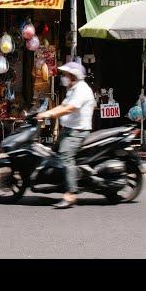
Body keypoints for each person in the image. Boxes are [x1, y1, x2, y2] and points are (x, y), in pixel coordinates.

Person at [37, 62, 95, 209]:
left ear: (73, 76)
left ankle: (70, 194)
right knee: (53, 153)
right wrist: (45, 113)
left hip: (77, 131)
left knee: (65, 156)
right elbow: (62, 106)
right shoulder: (72, 89)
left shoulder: (82, 89)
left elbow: (70, 108)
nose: (63, 77)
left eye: (65, 75)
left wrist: (49, 113)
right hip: (68, 130)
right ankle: (60, 182)